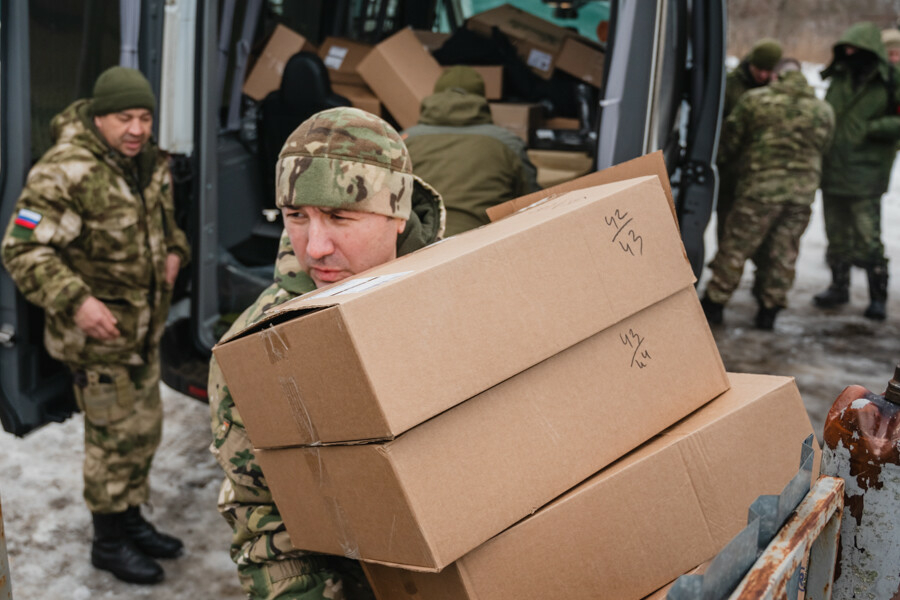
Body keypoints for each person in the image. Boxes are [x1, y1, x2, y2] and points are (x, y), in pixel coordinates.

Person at [208, 107, 444, 599]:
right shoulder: (259, 349)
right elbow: (268, 527)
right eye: (297, 217)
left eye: (340, 216)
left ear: (397, 214)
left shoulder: (457, 290)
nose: (314, 247)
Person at [1, 66, 190, 583]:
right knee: (112, 441)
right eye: (124, 117)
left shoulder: (148, 162)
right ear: (98, 117)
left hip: (143, 330)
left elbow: (168, 225)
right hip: (97, 338)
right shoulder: (64, 171)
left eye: (145, 117)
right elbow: (21, 247)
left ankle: (129, 522)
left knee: (143, 430)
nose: (136, 129)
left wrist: (176, 250)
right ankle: (108, 543)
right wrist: (78, 302)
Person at [701, 59, 835, 330]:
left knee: (736, 248)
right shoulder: (823, 110)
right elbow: (825, 146)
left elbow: (730, 142)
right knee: (783, 252)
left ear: (775, 77)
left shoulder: (755, 100)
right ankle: (769, 311)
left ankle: (714, 304)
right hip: (801, 195)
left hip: (759, 191)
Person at [814, 22, 899, 320]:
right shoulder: (840, 76)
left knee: (868, 238)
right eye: (845, 49)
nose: (849, 54)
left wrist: (872, 128)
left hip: (867, 173)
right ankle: (839, 286)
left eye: (854, 49)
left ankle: (877, 296)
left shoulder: (891, 80)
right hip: (833, 169)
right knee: (836, 235)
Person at [402, 65, 538, 236]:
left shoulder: (404, 142)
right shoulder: (507, 143)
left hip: (419, 248)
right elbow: (535, 205)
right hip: (485, 246)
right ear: (481, 99)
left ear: (436, 95)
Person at [716, 38, 783, 243]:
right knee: (727, 221)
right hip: (732, 167)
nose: (762, 75)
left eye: (768, 70)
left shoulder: (780, 90)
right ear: (750, 63)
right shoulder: (729, 85)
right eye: (759, 69)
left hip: (762, 172)